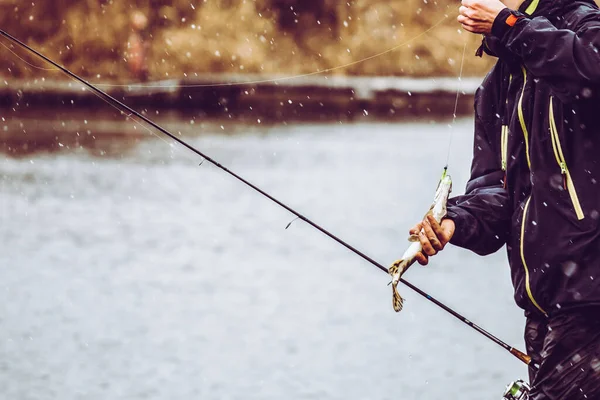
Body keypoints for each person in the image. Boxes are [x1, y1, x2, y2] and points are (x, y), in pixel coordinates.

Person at [412, 0, 600, 398]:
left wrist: (512, 26)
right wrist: (455, 222)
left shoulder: (584, 24)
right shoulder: (498, 86)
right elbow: (494, 191)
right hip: (543, 304)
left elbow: (593, 69)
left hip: (591, 297)